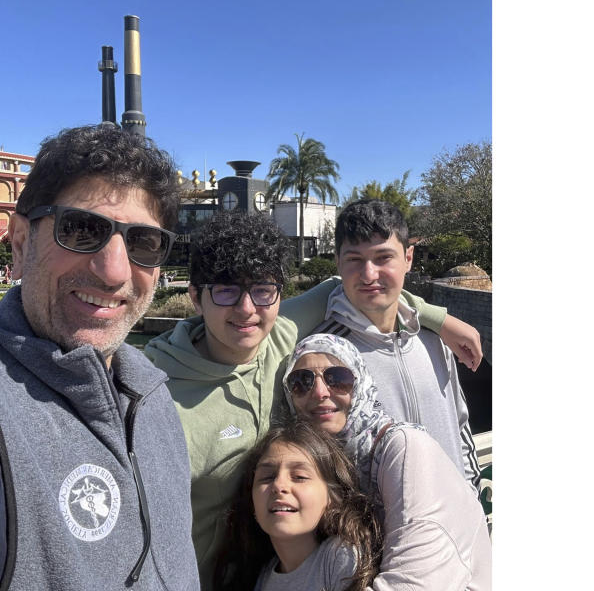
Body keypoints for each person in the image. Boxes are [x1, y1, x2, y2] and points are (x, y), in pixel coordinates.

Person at [143, 210, 484, 588]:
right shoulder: (156, 390)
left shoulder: (282, 334)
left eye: (262, 290)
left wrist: (439, 318)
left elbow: (360, 280)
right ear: (195, 297)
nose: (246, 309)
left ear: (279, 296)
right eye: (224, 290)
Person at [0, 125, 199, 590]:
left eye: (144, 242)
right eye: (82, 230)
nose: (113, 272)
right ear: (23, 240)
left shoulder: (152, 396)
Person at [282, 334, 492, 590]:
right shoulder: (319, 463)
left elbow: (415, 583)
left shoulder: (404, 450)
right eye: (301, 382)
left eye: (337, 378)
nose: (319, 392)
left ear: (360, 383)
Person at [314, 198, 482, 487]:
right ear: (338, 263)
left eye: (383, 258)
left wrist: (472, 491)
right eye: (354, 260)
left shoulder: (434, 340)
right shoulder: (323, 355)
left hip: (460, 523)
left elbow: (460, 426)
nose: (369, 275)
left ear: (408, 258)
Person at [213, 421, 381, 591]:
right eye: (267, 477)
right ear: (253, 504)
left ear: (333, 498)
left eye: (299, 476)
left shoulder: (340, 557)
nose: (279, 485)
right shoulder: (259, 579)